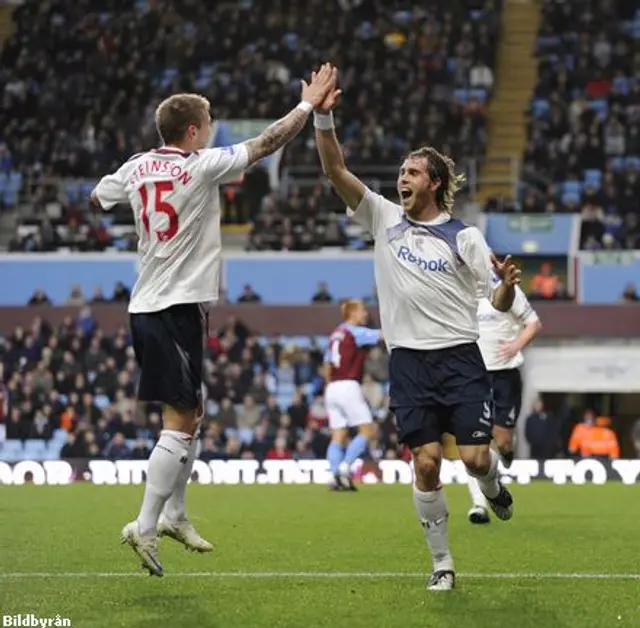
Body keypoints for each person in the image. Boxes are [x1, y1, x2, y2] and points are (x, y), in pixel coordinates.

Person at [90, 64, 335, 577]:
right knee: (179, 422)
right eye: (210, 122)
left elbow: (97, 198)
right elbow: (269, 142)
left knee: (193, 412)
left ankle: (175, 514)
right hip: (169, 306)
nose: (214, 129)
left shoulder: (135, 166)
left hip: (159, 300)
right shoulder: (200, 165)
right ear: (194, 131)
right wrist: (308, 105)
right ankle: (145, 524)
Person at [314, 69, 521, 591]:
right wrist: (321, 114)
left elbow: (494, 300)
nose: (401, 178)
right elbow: (336, 168)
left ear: (434, 182)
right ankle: (442, 564)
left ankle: (493, 486)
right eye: (401, 172)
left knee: (475, 457)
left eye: (411, 172)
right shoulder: (384, 218)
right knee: (426, 466)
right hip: (408, 362)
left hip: (460, 358)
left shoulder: (465, 236)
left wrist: (508, 288)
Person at [466, 286, 542, 525]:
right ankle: (479, 504)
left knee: (503, 441)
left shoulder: (509, 290)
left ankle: (505, 455)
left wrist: (516, 345)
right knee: (473, 441)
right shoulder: (463, 288)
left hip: (505, 375)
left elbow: (534, 324)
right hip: (474, 375)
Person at [324, 299, 383, 490]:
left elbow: (327, 364)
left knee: (338, 435)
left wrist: (330, 385)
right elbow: (382, 336)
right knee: (368, 431)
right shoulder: (354, 332)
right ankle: (344, 467)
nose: (365, 314)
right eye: (362, 310)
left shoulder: (335, 334)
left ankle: (333, 475)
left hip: (332, 387)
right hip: (349, 385)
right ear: (352, 313)